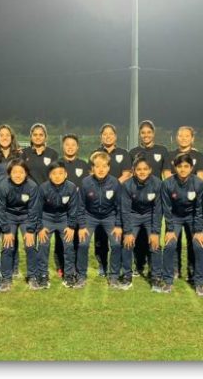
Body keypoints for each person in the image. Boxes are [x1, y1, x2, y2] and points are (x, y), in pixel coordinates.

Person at [163, 126, 203, 283]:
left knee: (193, 241)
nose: (183, 138)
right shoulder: (170, 155)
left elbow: (200, 179)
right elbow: (167, 177)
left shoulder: (199, 156)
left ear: (192, 138)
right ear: (176, 137)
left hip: (192, 209)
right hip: (175, 209)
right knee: (172, 242)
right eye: (180, 135)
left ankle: (192, 270)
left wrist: (189, 187)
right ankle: (174, 269)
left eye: (187, 135)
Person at [128, 120, 169, 278]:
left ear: (153, 133)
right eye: (143, 132)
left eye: (149, 132)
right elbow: (131, 175)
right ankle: (139, 266)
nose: (146, 135)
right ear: (140, 134)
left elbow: (166, 173)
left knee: (153, 234)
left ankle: (154, 268)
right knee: (138, 238)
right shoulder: (133, 152)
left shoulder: (162, 150)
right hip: (138, 198)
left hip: (155, 197)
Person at [76, 151, 122, 289]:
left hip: (109, 216)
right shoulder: (85, 182)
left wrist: (118, 225)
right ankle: (81, 276)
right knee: (83, 244)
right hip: (90, 216)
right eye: (97, 166)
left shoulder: (115, 182)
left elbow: (120, 206)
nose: (101, 169)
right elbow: (80, 206)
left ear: (109, 167)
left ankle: (114, 276)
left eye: (104, 166)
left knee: (116, 244)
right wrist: (82, 226)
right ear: (92, 168)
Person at [21, 123, 62, 277]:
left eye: (41, 134)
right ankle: (35, 268)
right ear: (31, 136)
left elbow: (56, 174)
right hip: (30, 199)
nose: (38, 137)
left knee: (48, 234)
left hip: (48, 198)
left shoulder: (53, 154)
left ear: (45, 137)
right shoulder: (24, 153)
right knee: (32, 232)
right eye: (35, 134)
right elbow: (21, 173)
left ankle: (59, 266)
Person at [92, 123, 132, 278]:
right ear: (101, 137)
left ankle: (118, 263)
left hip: (118, 198)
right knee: (100, 235)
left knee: (117, 231)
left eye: (110, 134)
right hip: (100, 199)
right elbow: (92, 173)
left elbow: (127, 174)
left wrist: (112, 186)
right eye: (105, 134)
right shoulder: (95, 153)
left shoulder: (123, 153)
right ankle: (102, 264)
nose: (107, 136)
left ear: (115, 136)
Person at [0, 158, 40, 291]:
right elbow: (0, 210)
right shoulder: (3, 186)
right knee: (7, 246)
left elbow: (34, 210)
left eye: (21, 172)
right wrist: (6, 230)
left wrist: (30, 230)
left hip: (26, 217)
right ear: (9, 173)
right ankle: (6, 278)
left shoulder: (32, 186)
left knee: (30, 245)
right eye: (15, 172)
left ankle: (32, 277)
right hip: (9, 216)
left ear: (26, 173)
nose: (18, 175)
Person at [120, 156, 163, 291]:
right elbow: (125, 210)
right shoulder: (127, 185)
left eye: (145, 169)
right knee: (127, 243)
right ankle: (127, 276)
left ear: (150, 170)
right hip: (133, 215)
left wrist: (155, 232)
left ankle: (156, 278)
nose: (142, 172)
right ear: (133, 170)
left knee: (155, 244)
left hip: (151, 215)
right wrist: (128, 232)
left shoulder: (158, 184)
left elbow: (158, 210)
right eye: (139, 169)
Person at [35, 161, 78, 289]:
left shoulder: (71, 187)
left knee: (69, 246)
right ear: (50, 175)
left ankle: (69, 275)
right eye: (54, 173)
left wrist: (71, 226)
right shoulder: (43, 188)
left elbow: (73, 209)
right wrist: (40, 227)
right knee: (43, 245)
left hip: (64, 218)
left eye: (60, 173)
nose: (57, 176)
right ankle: (43, 275)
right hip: (46, 218)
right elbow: (37, 209)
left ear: (66, 174)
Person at [0, 124, 23, 279]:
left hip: (12, 199)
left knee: (11, 234)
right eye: (1, 135)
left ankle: (14, 267)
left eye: (7, 135)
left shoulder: (18, 154)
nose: (4, 137)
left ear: (12, 137)